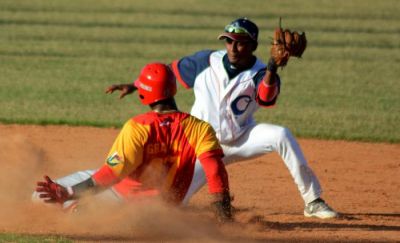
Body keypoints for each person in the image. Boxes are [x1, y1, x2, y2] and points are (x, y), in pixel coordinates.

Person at [106, 18, 338, 219]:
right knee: (168, 206)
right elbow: (166, 73)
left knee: (281, 135)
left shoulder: (260, 72)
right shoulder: (205, 61)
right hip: (200, 146)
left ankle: (313, 201)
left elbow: (266, 98)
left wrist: (272, 67)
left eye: (240, 42)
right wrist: (136, 85)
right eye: (228, 40)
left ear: (253, 46)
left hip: (241, 138)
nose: (233, 47)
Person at [34, 63, 232, 222]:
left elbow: (109, 175)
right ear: (172, 89)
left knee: (39, 198)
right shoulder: (199, 127)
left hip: (124, 200)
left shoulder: (138, 127)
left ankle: (82, 212)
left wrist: (66, 193)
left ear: (144, 93)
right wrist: (224, 214)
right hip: (167, 208)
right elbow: (215, 170)